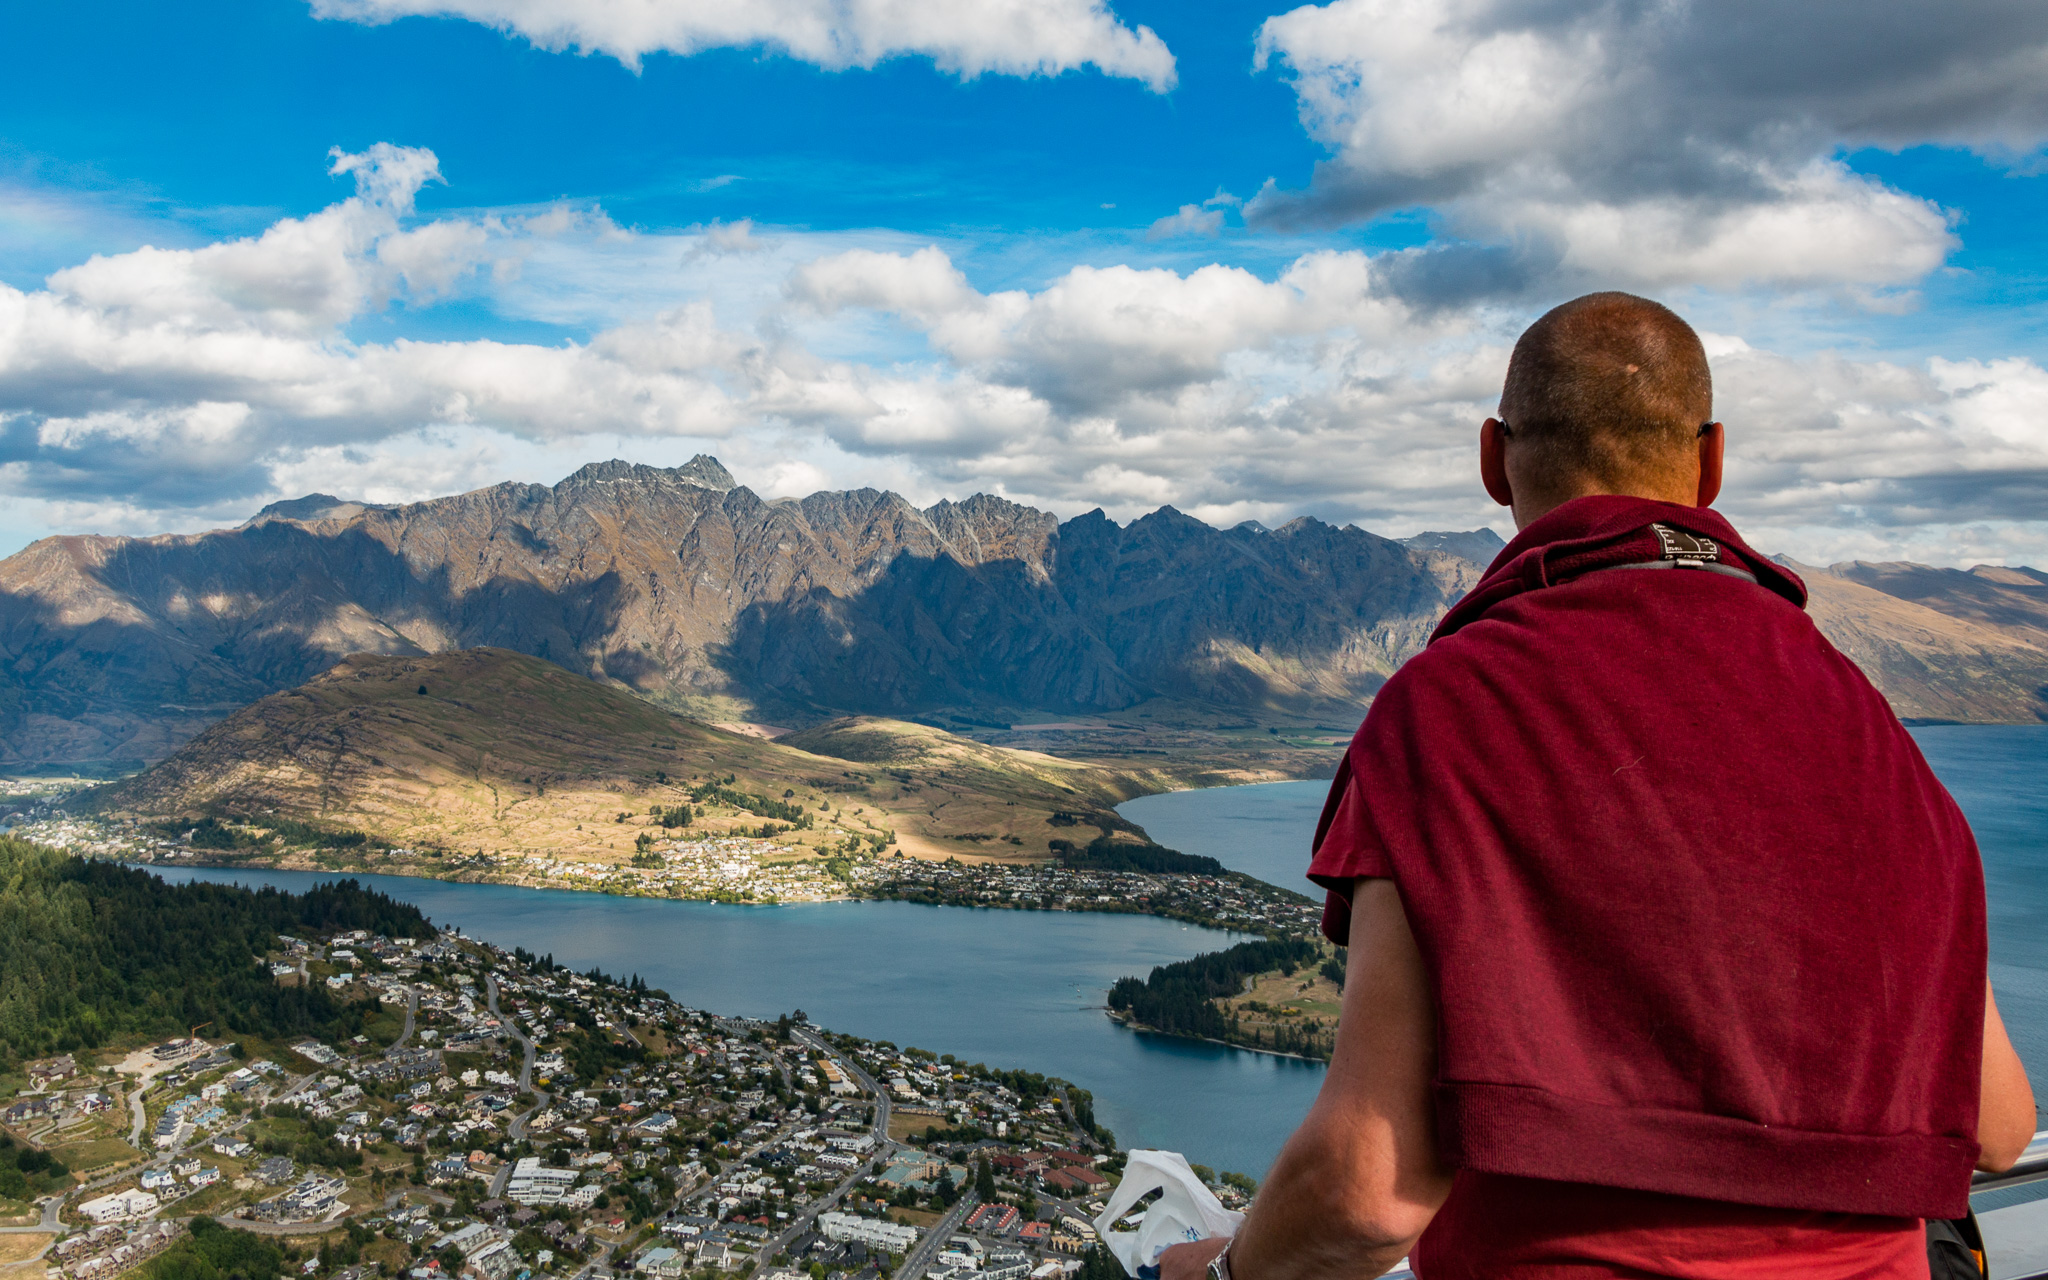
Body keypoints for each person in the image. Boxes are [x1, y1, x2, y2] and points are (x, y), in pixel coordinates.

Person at [1160, 292, 2037, 1280]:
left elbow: (1369, 1191)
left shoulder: (1453, 706)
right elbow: (1999, 1126)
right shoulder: (1871, 731)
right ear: (1709, 464)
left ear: (1492, 459)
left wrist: (1218, 1270)